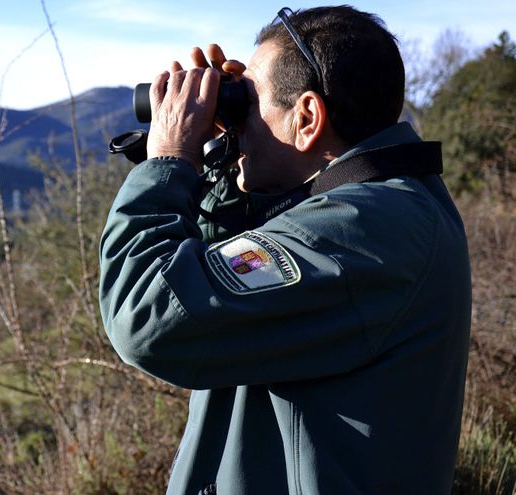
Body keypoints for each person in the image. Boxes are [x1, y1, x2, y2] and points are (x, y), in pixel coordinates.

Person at [99, 5, 472, 494]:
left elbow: (147, 315)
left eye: (248, 104)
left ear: (307, 117)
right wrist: (223, 161)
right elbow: (223, 285)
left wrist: (171, 158)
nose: (237, 119)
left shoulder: (363, 229)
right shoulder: (386, 211)